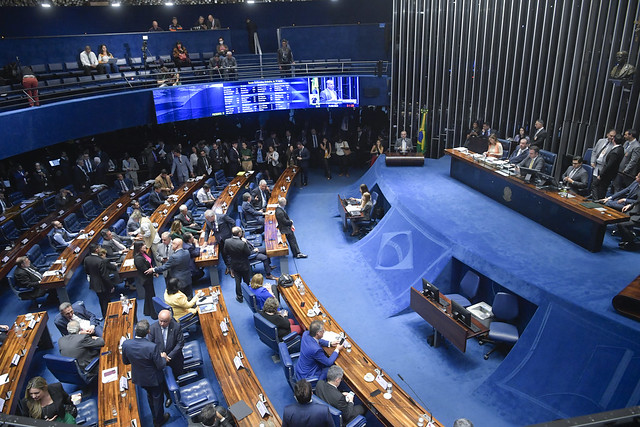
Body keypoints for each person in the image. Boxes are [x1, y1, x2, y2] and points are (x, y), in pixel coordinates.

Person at [122, 320, 169, 427]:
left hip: (139, 378)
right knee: (157, 399)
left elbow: (126, 362)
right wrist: (163, 358)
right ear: (148, 331)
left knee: (149, 395)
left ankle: (154, 414)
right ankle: (158, 420)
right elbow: (160, 365)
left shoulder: (126, 344)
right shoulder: (152, 347)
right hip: (154, 379)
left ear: (135, 329)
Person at [148, 309, 185, 407]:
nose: (162, 323)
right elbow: (150, 345)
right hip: (160, 360)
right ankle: (169, 396)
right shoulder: (153, 328)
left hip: (175, 358)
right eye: (160, 320)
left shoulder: (176, 326)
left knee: (178, 376)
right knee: (164, 380)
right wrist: (160, 354)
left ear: (170, 320)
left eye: (165, 321)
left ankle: (181, 392)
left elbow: (180, 343)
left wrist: (169, 356)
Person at [84, 243, 116, 316]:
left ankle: (105, 314)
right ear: (96, 250)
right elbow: (104, 276)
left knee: (101, 300)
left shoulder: (86, 259)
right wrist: (111, 286)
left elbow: (87, 271)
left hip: (94, 283)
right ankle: (108, 315)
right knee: (106, 300)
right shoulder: (100, 261)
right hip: (102, 284)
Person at [224, 226, 254, 303]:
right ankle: (249, 296)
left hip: (234, 264)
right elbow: (248, 253)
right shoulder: (242, 243)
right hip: (244, 265)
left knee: (237, 281)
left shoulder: (227, 241)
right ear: (239, 233)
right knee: (247, 281)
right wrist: (245, 242)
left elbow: (226, 253)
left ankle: (239, 297)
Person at [592, 134, 624, 200]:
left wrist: (601, 174)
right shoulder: (621, 149)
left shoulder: (615, 152)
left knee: (597, 185)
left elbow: (608, 165)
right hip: (612, 173)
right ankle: (598, 199)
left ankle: (597, 200)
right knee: (601, 187)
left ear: (613, 140)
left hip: (607, 173)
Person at [204, 209, 235, 274]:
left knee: (231, 253)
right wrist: (205, 241)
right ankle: (228, 266)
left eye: (207, 219)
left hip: (227, 237)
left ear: (212, 217)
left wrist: (233, 234)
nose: (207, 220)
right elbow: (207, 230)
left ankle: (232, 268)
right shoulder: (208, 220)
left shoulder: (222, 217)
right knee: (224, 253)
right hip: (218, 239)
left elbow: (233, 222)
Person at [133, 241, 157, 318]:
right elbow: (145, 271)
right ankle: (154, 314)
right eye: (143, 246)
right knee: (151, 296)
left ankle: (147, 311)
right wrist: (153, 271)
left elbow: (149, 263)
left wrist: (153, 270)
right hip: (146, 280)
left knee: (148, 295)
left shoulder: (143, 253)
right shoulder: (138, 259)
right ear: (139, 248)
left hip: (149, 278)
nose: (145, 247)